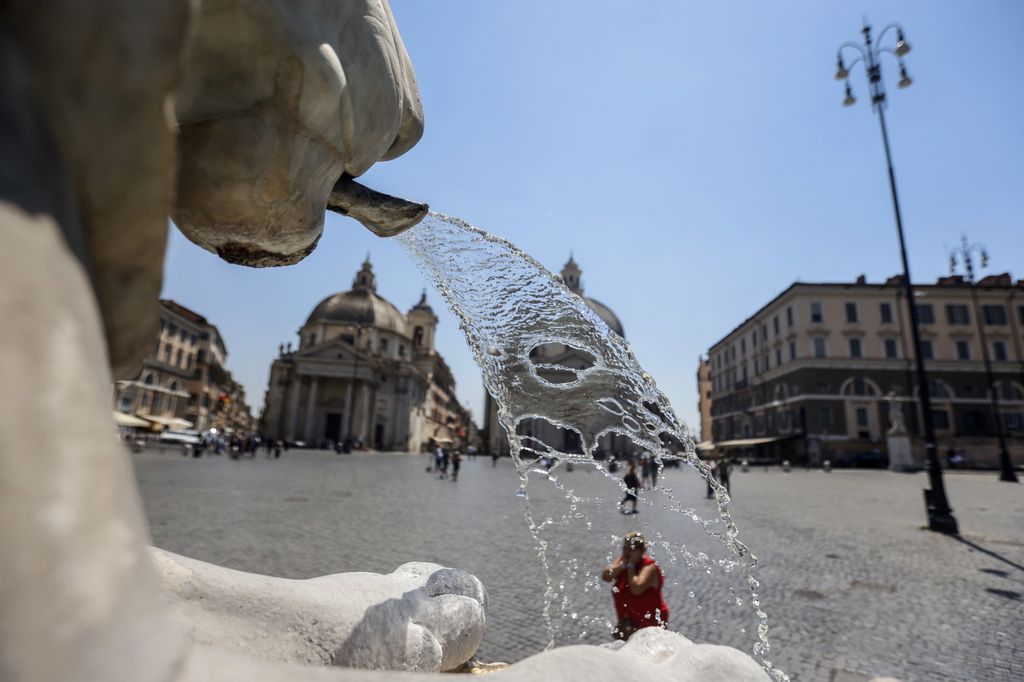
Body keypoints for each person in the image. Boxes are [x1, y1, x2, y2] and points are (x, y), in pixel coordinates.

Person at [601, 532, 668, 641]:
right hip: (628, 626)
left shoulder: (650, 567)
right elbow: (605, 576)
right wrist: (623, 565)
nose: (626, 552)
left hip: (650, 627)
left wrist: (631, 566)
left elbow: (636, 588)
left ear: (641, 551)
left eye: (631, 549)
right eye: (624, 548)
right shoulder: (623, 562)